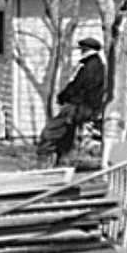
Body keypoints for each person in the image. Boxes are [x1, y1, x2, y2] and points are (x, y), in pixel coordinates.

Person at [36, 36, 106, 166]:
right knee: (65, 136)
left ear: (87, 50)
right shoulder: (95, 66)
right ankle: (61, 162)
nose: (80, 52)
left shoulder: (90, 68)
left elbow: (79, 87)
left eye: (82, 50)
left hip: (80, 108)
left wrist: (64, 98)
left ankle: (43, 162)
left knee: (49, 133)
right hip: (85, 108)